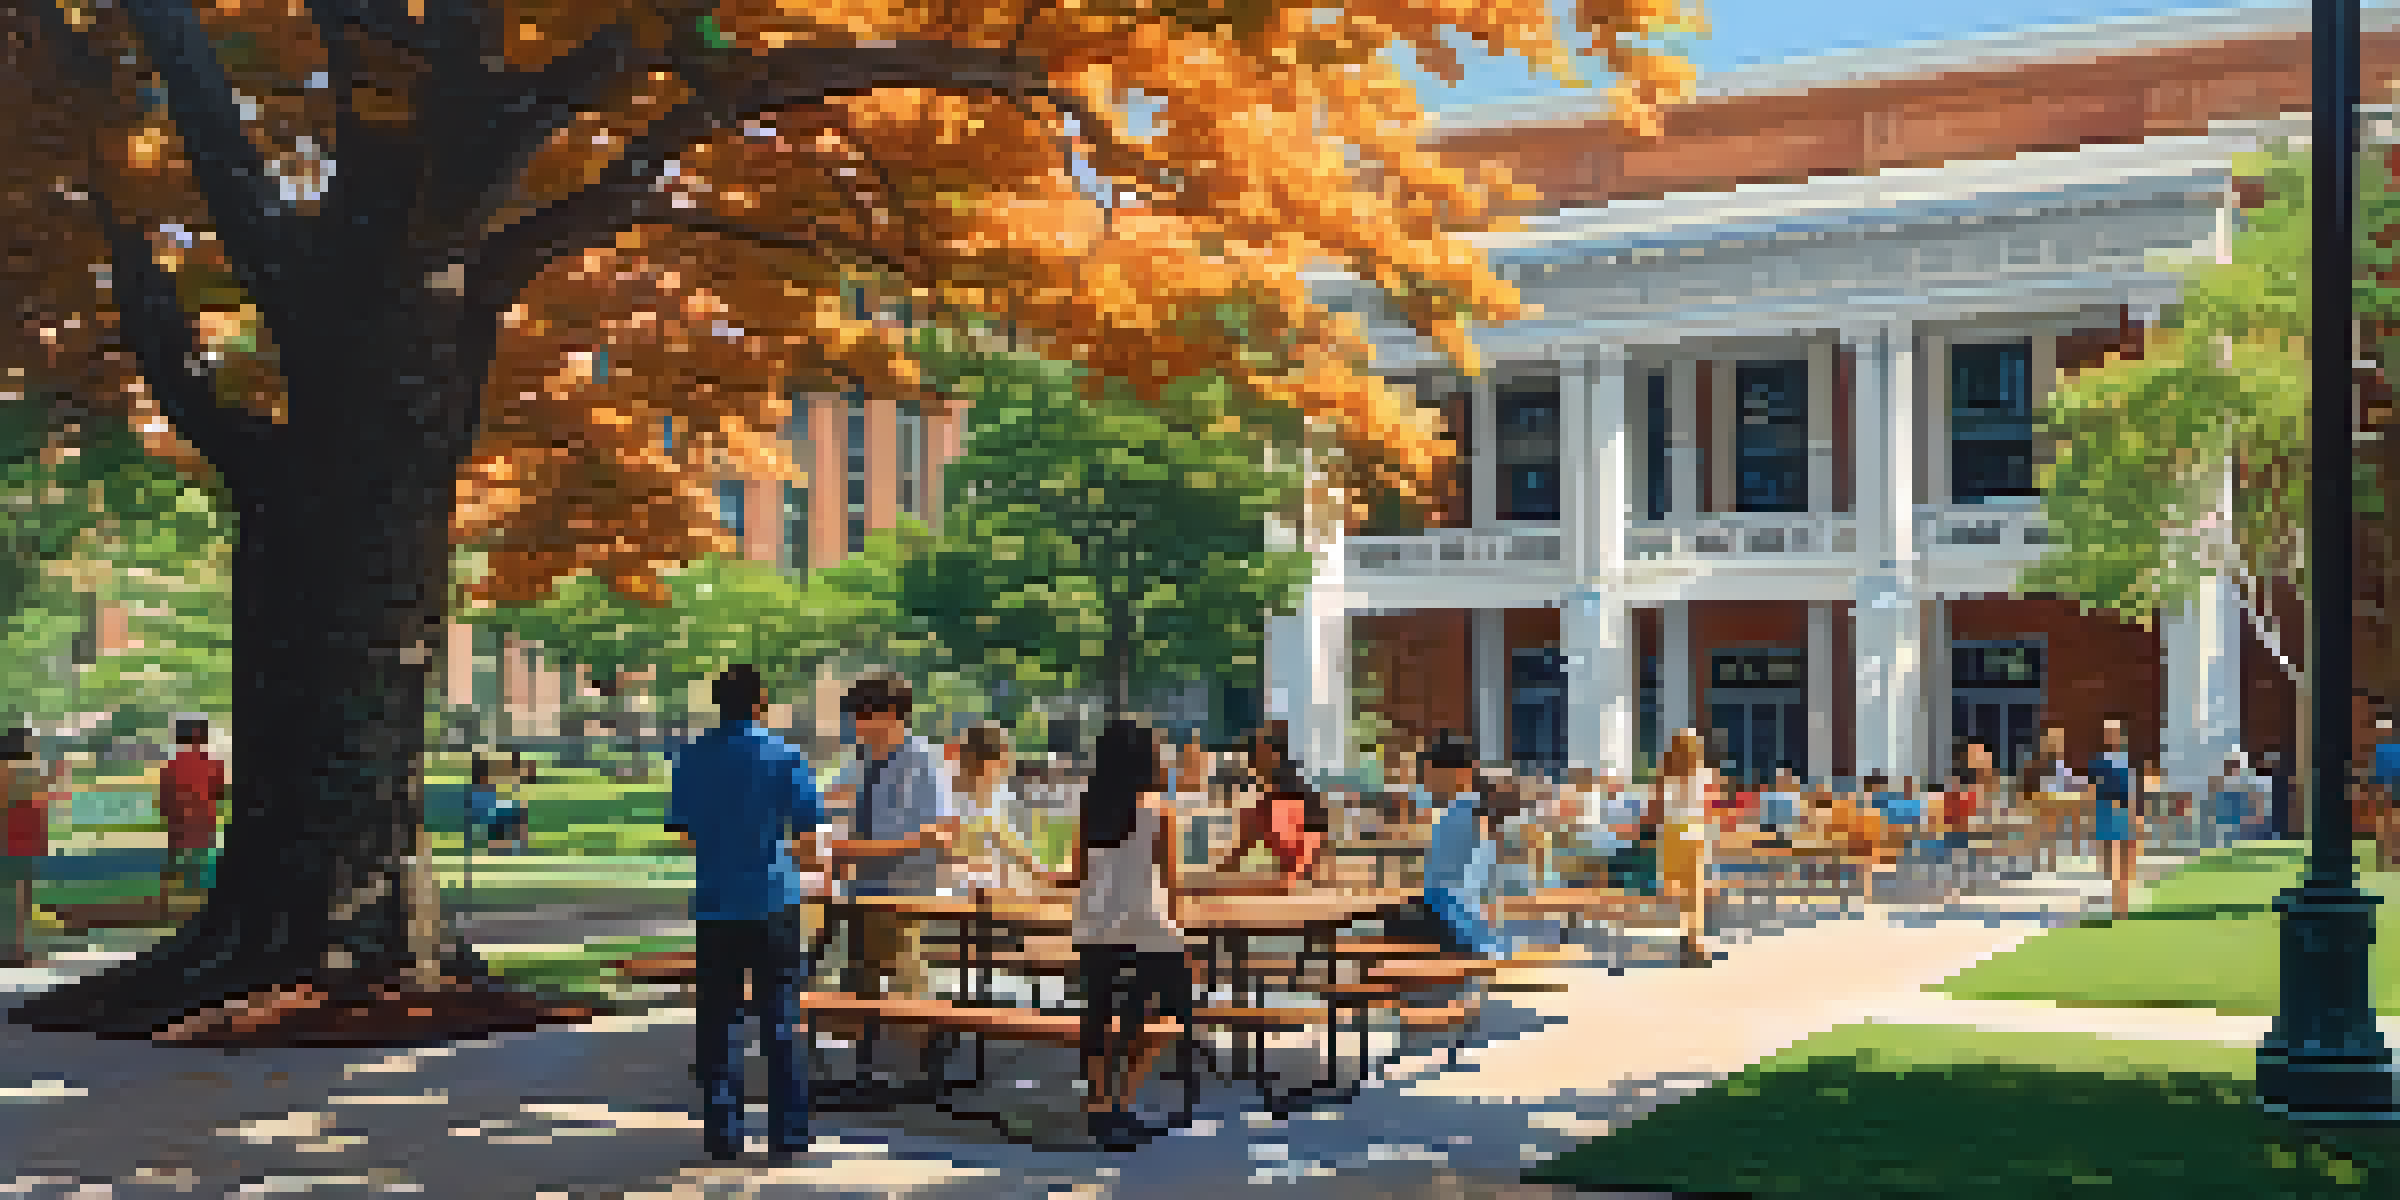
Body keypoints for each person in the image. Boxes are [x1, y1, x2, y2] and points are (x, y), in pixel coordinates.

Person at [663, 664, 824, 1165]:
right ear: (762, 703)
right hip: (774, 899)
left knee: (717, 1019)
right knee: (780, 1016)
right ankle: (787, 1135)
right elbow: (807, 834)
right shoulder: (784, 754)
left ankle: (723, 1133)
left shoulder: (691, 757)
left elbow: (684, 832)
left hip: (716, 901)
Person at [1054, 718, 1195, 1151]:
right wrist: (1181, 933)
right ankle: (1124, 1104)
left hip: (1095, 926)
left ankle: (1099, 1109)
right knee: (1160, 1021)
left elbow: (1077, 873)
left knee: (1096, 1019)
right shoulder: (1161, 812)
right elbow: (1171, 883)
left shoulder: (1089, 808)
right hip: (1148, 929)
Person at [830, 672, 959, 1073]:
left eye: (861, 715)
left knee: (899, 971)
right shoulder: (864, 758)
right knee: (863, 970)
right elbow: (834, 799)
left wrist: (864, 849)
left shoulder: (922, 757)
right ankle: (867, 1063)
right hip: (863, 882)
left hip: (903, 884)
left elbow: (941, 830)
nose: (854, 724)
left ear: (888, 714)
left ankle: (921, 1049)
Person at [1386, 736, 1508, 958]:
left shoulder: (1460, 816)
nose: (1425, 784)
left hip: (1456, 931)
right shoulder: (1471, 811)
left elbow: (1444, 892)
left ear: (1458, 773)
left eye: (1429, 776)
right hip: (1471, 930)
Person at [1214, 727, 1328, 887]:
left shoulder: (1288, 787)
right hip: (1300, 843)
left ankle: (1299, 870)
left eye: (1256, 755)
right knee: (1257, 814)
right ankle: (1297, 870)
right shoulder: (1272, 787)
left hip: (1305, 845)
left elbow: (1313, 827)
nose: (1252, 762)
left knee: (1265, 814)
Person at [948, 722, 1050, 893]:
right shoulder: (954, 796)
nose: (1008, 764)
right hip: (973, 885)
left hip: (1004, 880)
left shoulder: (1001, 793)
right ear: (982, 761)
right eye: (1003, 757)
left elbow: (1015, 846)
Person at [1653, 729, 1716, 967]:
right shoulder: (1701, 775)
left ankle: (1689, 941)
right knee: (1693, 896)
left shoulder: (1665, 775)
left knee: (1686, 896)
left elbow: (1659, 810)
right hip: (1688, 836)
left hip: (1675, 835)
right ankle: (1692, 944)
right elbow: (1705, 810)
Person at [2, 727, 62, 967]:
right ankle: (14, 953)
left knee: (10, 902)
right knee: (19, 904)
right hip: (20, 845)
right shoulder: (25, 772)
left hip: (9, 844)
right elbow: (40, 802)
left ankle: (13, 952)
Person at [156, 717, 227, 915]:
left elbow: (164, 805)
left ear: (178, 738)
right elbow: (219, 796)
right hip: (204, 831)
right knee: (203, 879)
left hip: (177, 832)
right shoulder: (214, 766)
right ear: (203, 737)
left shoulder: (169, 769)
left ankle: (171, 907)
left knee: (176, 876)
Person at [2086, 714, 2143, 921]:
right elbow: (2091, 791)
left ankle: (2122, 905)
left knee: (2125, 861)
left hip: (2124, 813)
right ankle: (2116, 900)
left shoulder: (2130, 761)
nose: (2112, 736)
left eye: (2115, 732)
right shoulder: (2097, 763)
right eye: (2108, 733)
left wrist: (2137, 816)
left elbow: (2136, 791)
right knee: (2109, 862)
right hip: (2105, 812)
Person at [2021, 722, 2081, 874]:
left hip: (2062, 811)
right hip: (2041, 813)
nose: (2055, 744)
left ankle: (2067, 856)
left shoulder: (2068, 766)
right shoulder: (2034, 766)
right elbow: (2026, 796)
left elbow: (2074, 792)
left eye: (2058, 740)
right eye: (2051, 740)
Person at [2371, 715, 2400, 870]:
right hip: (2385, 791)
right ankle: (2386, 857)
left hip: (2389, 791)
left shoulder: (2390, 748)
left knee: (2389, 824)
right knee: (2384, 824)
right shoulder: (2380, 749)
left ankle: (2389, 856)